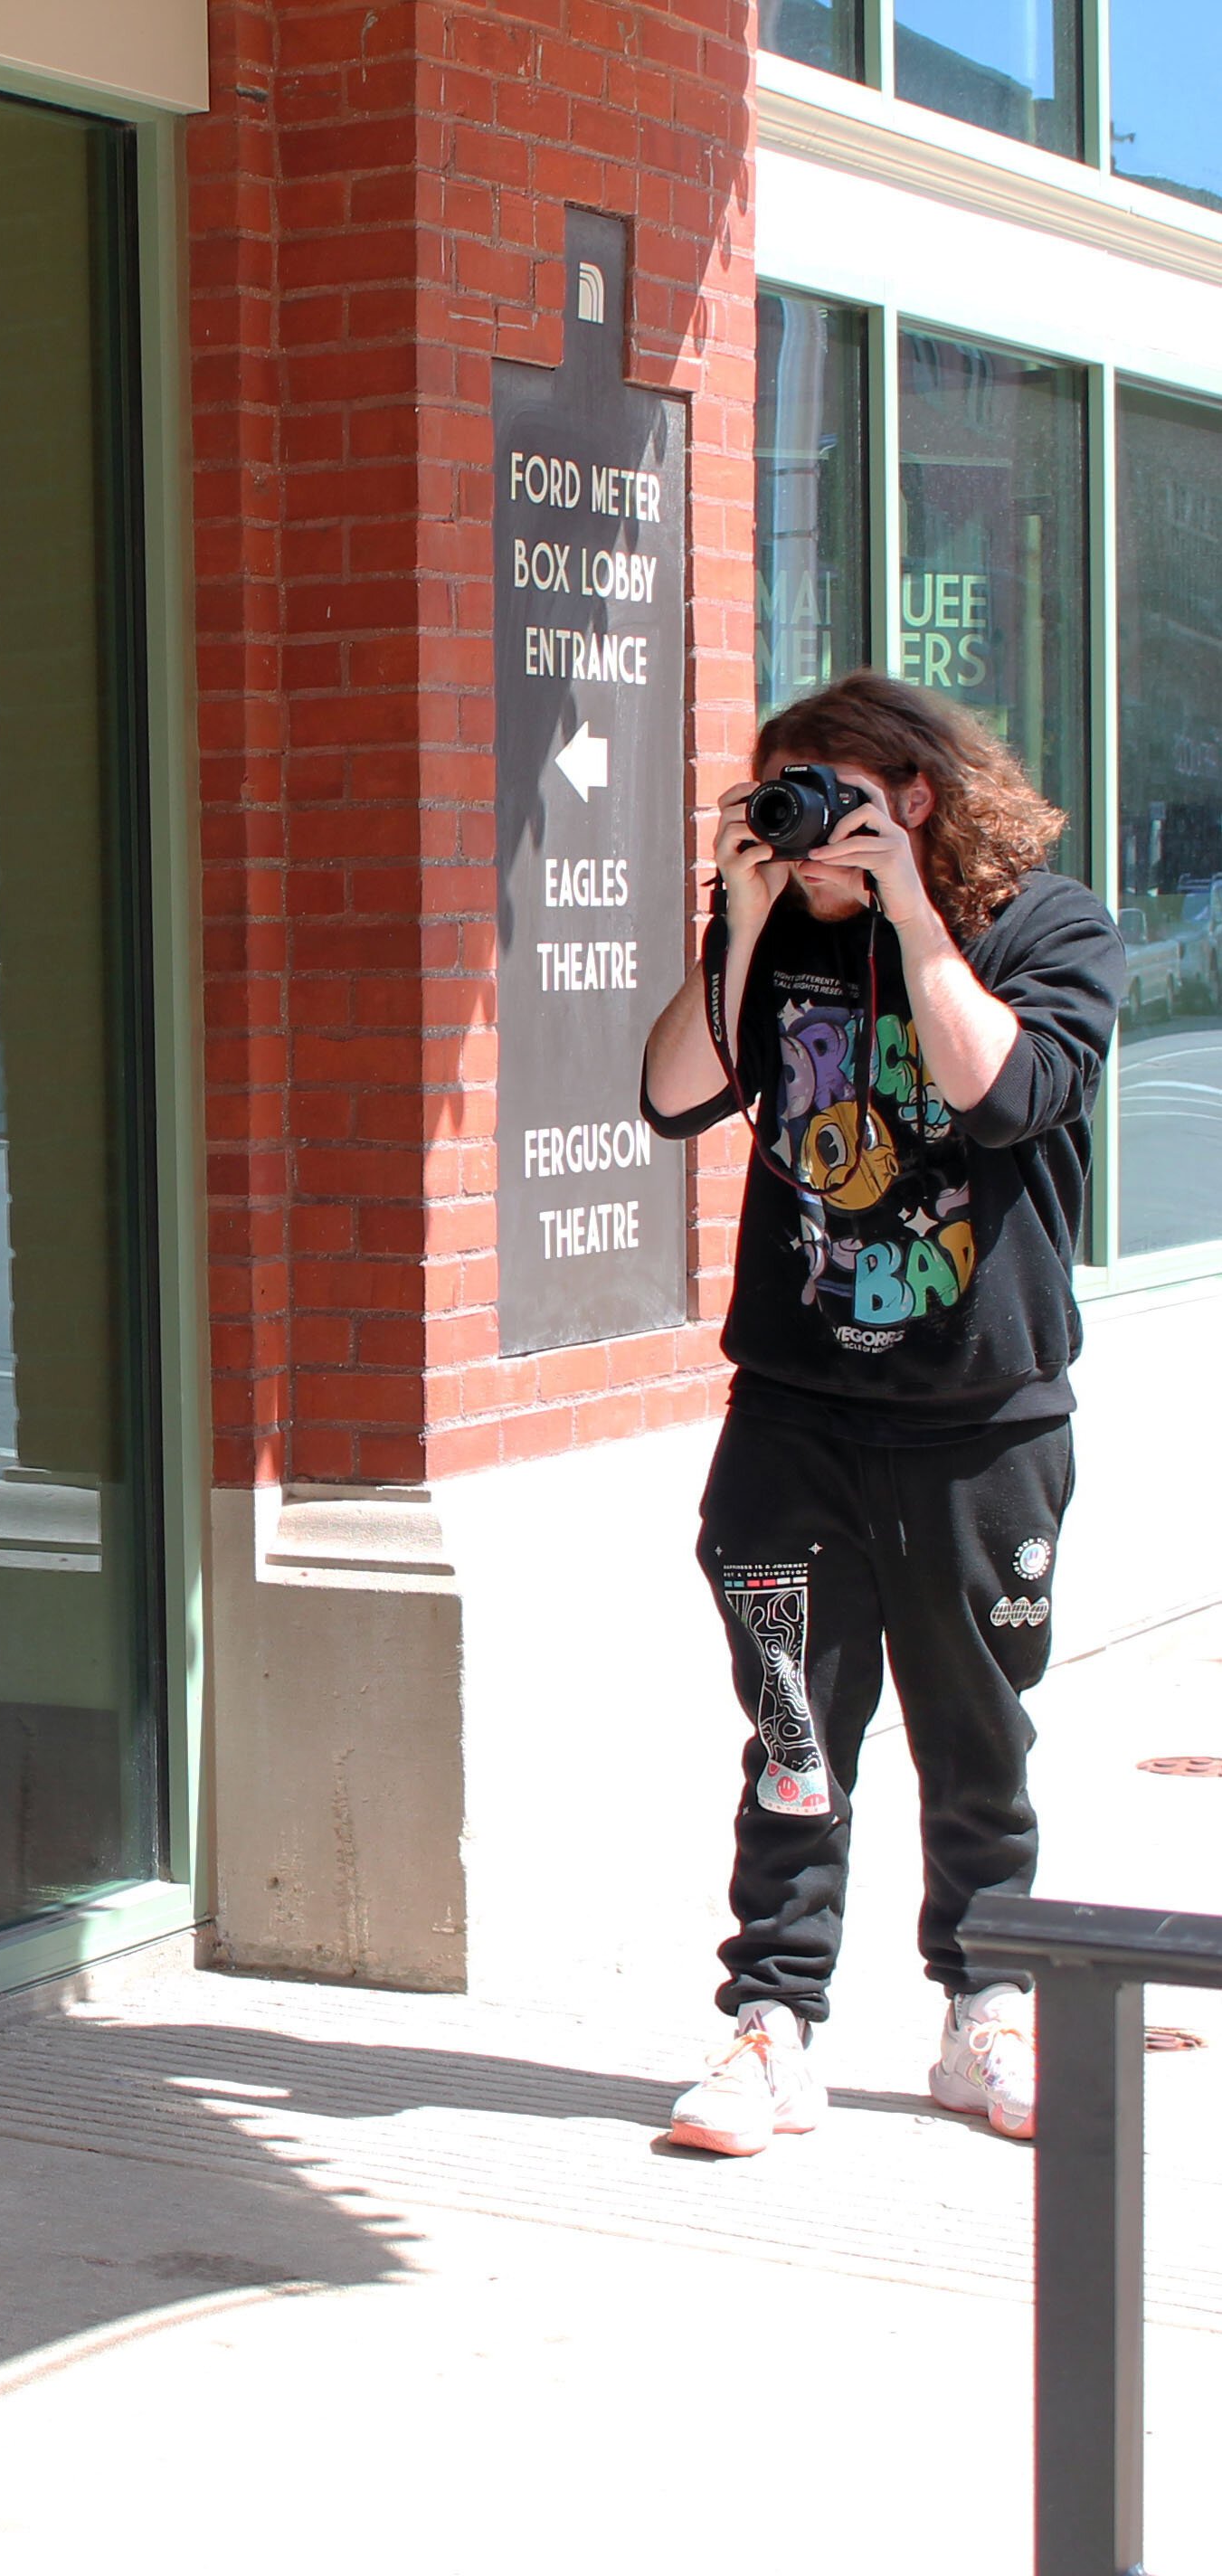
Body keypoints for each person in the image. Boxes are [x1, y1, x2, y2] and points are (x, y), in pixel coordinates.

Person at [639, 670, 1125, 2157]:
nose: (811, 833)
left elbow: (998, 1096)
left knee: (975, 1733)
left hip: (979, 1419)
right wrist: (727, 920)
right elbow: (675, 1096)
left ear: (914, 795)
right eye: (783, 797)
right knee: (792, 1726)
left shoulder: (1049, 927)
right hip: (793, 1412)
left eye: (838, 798)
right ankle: (768, 2023)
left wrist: (913, 918)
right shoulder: (770, 926)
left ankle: (985, 2010)